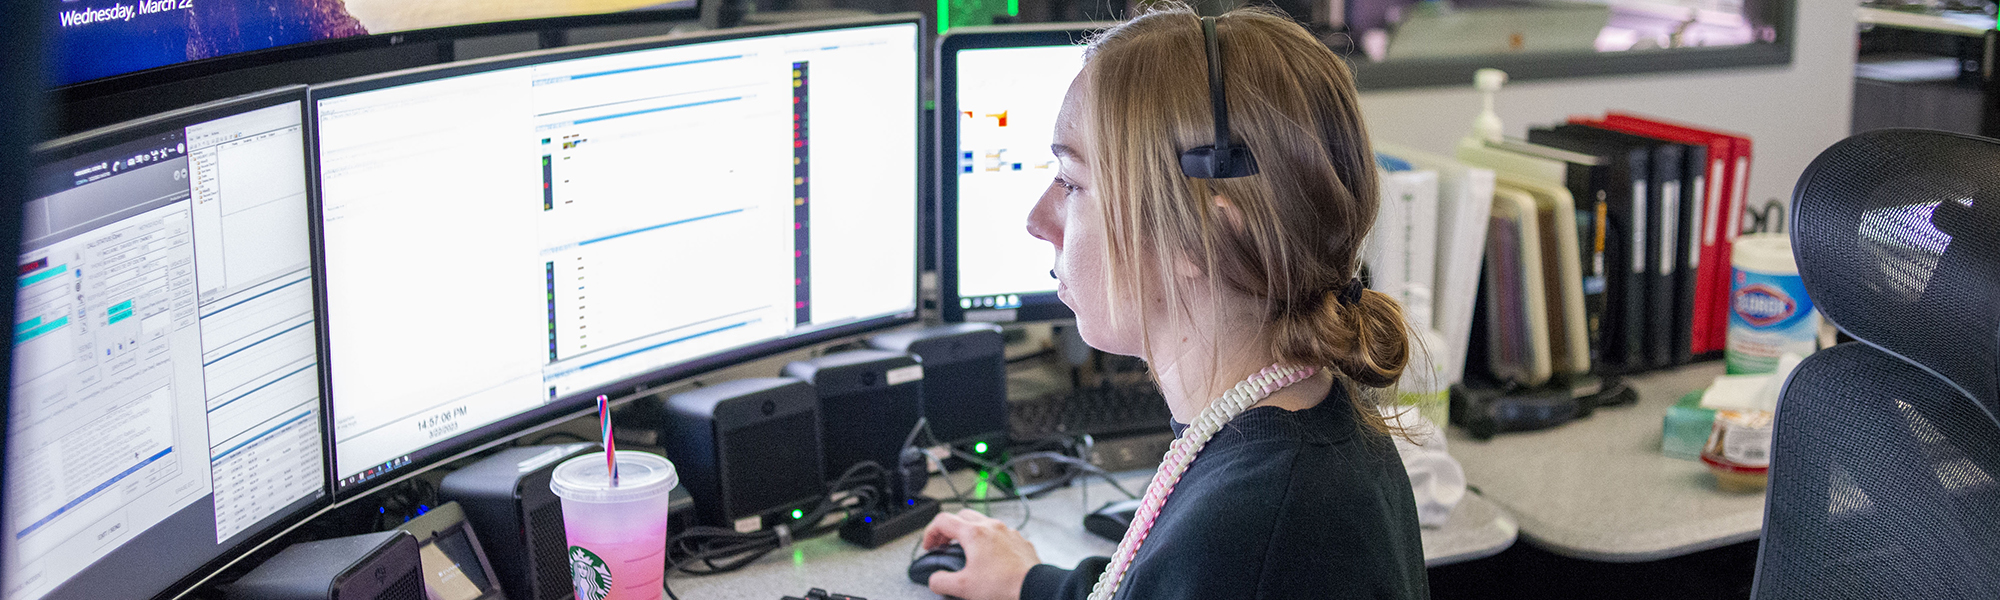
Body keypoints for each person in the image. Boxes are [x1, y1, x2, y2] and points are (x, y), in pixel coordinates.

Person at [917, 5, 1429, 600]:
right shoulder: (1308, 431)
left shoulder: (1248, 528)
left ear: (1200, 235)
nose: (1038, 220)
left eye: (1072, 183)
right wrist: (1030, 585)